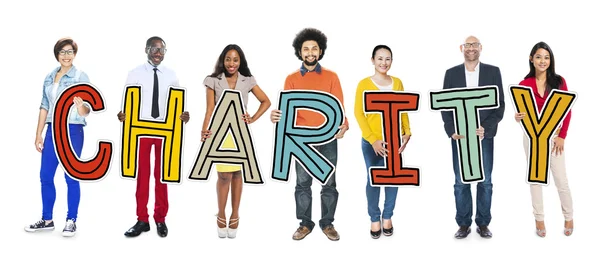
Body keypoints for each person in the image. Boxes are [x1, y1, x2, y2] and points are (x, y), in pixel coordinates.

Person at [270, 28, 349, 241]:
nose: (310, 52)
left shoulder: (332, 77)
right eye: (306, 49)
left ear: (320, 51)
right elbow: (287, 110)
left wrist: (344, 124)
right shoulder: (291, 79)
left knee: (329, 182)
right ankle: (305, 224)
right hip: (302, 141)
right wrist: (276, 116)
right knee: (302, 183)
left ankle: (328, 223)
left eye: (314, 48)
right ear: (300, 52)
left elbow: (339, 106)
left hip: (328, 137)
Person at [117, 36, 190, 238]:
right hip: (141, 132)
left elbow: (177, 103)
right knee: (142, 175)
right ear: (146, 50)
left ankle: (160, 219)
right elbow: (128, 102)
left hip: (164, 132)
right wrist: (122, 114)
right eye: (154, 49)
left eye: (162, 49)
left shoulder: (172, 75)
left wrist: (184, 115)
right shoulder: (135, 73)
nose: (158, 53)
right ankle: (142, 219)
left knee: (162, 175)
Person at [201, 44, 271, 238]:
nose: (231, 63)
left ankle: (235, 213)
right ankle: (221, 212)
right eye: (228, 59)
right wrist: (204, 130)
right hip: (220, 134)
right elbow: (209, 109)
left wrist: (253, 118)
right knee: (224, 176)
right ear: (223, 61)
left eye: (235, 60)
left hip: (239, 134)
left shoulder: (247, 81)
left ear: (241, 62)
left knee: (237, 174)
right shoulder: (213, 80)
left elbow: (266, 101)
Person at [25, 37, 91, 237]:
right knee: (45, 175)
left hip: (72, 129)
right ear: (57, 55)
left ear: (75, 54)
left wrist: (80, 106)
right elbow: (44, 106)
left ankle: (71, 220)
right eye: (62, 52)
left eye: (70, 51)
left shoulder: (80, 75)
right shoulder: (49, 77)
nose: (66, 55)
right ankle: (47, 219)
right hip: (53, 130)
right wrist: (38, 134)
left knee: (71, 175)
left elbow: (88, 109)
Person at [441, 35, 505, 239]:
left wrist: (485, 128)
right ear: (461, 48)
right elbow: (445, 105)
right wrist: (451, 130)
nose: (471, 48)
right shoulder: (451, 74)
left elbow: (499, 104)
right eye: (467, 45)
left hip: (483, 137)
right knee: (461, 181)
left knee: (485, 181)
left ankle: (483, 223)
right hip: (460, 138)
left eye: (474, 45)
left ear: (481, 48)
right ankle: (463, 224)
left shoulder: (493, 72)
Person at [514, 41, 574, 238]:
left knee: (560, 178)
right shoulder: (525, 84)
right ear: (531, 59)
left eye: (546, 57)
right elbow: (523, 113)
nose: (543, 61)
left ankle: (569, 216)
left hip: (554, 136)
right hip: (532, 137)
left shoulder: (559, 81)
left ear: (551, 60)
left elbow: (567, 111)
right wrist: (518, 117)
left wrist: (562, 136)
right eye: (539, 57)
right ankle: (539, 218)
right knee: (535, 178)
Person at [353, 45, 412, 239]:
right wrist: (373, 140)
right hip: (372, 143)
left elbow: (403, 109)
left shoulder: (398, 83)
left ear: (391, 62)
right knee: (374, 180)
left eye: (387, 59)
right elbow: (359, 113)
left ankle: (388, 216)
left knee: (393, 178)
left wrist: (407, 132)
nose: (383, 63)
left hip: (394, 141)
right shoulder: (363, 84)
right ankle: (374, 218)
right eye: (379, 58)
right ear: (372, 60)